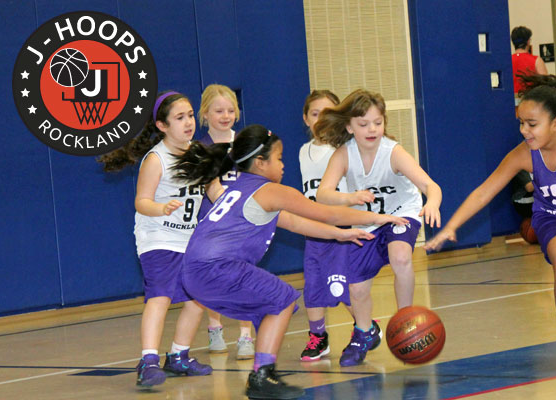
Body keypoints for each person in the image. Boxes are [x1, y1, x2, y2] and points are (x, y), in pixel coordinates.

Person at [173, 124, 408, 399]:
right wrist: (378, 218)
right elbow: (328, 213)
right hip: (218, 267)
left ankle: (263, 374)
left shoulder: (236, 186)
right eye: (279, 158)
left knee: (266, 309)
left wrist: (339, 236)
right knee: (283, 299)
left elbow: (294, 223)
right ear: (260, 163)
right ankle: (262, 376)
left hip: (192, 271)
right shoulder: (271, 190)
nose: (283, 165)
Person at [424, 74, 556, 372]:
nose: (524, 130)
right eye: (521, 123)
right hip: (551, 219)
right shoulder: (523, 154)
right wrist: (452, 225)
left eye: (532, 124)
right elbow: (484, 192)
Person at [315, 89, 443, 367]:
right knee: (357, 289)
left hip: (401, 215)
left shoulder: (393, 153)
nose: (372, 129)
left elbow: (430, 186)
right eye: (364, 124)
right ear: (349, 126)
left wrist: (432, 203)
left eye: (378, 122)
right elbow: (323, 194)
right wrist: (350, 198)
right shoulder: (344, 155)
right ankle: (363, 332)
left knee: (400, 256)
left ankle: (406, 319)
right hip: (366, 221)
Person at [98, 91, 212, 387]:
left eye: (190, 115)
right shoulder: (156, 159)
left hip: (189, 238)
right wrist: (161, 208)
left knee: (198, 296)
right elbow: (141, 202)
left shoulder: (199, 153)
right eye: (179, 118)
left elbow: (215, 193)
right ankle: (148, 360)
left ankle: (178, 356)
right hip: (158, 237)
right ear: (162, 126)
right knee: (160, 295)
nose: (188, 122)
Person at [298, 89, 363, 362]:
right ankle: (319, 337)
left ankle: (365, 327)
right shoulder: (304, 151)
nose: (321, 119)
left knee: (345, 285)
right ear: (305, 119)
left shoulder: (345, 149)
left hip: (342, 228)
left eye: (327, 114)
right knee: (312, 285)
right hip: (315, 228)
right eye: (315, 114)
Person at [195, 84, 256, 359]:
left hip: (241, 221)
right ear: (205, 114)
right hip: (210, 221)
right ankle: (214, 326)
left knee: (243, 276)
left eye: (231, 110)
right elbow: (209, 185)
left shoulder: (244, 143)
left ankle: (246, 336)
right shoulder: (200, 147)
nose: (226, 115)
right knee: (214, 279)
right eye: (219, 110)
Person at [511, 26, 548, 102]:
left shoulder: (508, 61)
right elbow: (546, 86)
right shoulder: (536, 60)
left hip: (511, 103)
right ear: (528, 41)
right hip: (531, 101)